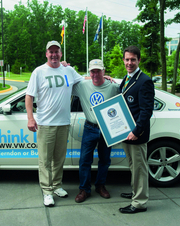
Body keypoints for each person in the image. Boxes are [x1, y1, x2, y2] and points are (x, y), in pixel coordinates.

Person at [25, 40, 84, 207]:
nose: (54, 54)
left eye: (56, 51)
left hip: (63, 123)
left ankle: (57, 185)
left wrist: (101, 76)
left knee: (59, 158)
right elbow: (29, 96)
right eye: (51, 52)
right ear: (46, 54)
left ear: (60, 53)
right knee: (45, 160)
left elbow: (84, 81)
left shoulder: (68, 70)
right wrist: (31, 118)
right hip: (45, 124)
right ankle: (47, 191)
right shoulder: (39, 72)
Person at [73, 59, 120, 203]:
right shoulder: (82, 86)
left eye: (98, 71)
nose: (95, 74)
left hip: (107, 128)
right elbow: (65, 82)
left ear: (104, 71)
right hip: (90, 127)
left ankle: (100, 186)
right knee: (84, 160)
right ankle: (84, 189)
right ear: (89, 72)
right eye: (92, 71)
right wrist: (64, 66)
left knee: (105, 160)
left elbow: (121, 106)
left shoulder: (113, 87)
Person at [119, 46, 155, 214]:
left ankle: (139, 202)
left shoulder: (144, 80)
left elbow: (146, 111)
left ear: (139, 60)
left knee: (140, 168)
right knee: (133, 166)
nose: (129, 63)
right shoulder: (127, 78)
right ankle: (136, 192)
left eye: (133, 59)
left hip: (136, 134)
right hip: (126, 133)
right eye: (127, 59)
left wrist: (136, 131)